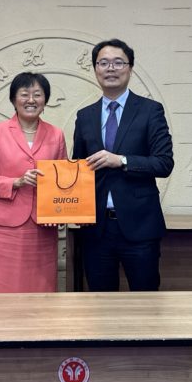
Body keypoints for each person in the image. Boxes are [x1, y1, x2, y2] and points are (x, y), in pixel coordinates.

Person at [72, 38, 174, 291]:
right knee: (100, 302)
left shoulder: (150, 110)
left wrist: (122, 160)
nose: (110, 68)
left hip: (140, 226)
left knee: (145, 300)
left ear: (130, 68)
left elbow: (164, 163)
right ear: (95, 69)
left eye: (118, 62)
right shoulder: (84, 116)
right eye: (103, 63)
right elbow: (80, 170)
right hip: (96, 229)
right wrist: (65, 209)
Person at [0, 71, 67, 293]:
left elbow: (62, 180)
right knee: (2, 292)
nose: (31, 100)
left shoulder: (56, 135)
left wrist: (65, 211)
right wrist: (16, 182)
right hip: (4, 229)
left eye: (38, 94)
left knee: (40, 292)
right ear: (13, 99)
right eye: (24, 94)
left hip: (43, 228)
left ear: (45, 100)